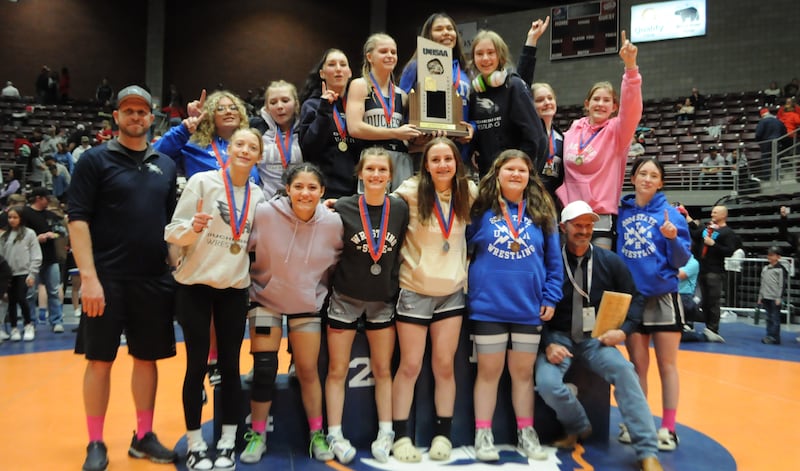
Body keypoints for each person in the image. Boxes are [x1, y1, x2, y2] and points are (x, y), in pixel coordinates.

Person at [68, 85, 179, 471]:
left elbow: (171, 228)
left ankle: (143, 436)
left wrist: (179, 267)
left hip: (152, 279)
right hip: (107, 280)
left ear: (152, 117)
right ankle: (95, 442)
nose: (135, 117)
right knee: (100, 360)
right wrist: (89, 279)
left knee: (147, 360)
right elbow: (77, 220)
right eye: (128, 111)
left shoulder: (165, 164)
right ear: (116, 116)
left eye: (142, 111)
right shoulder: (94, 161)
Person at [535, 200, 663, 471]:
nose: (584, 230)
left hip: (596, 339)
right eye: (577, 225)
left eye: (588, 225)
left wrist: (623, 330)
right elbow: (534, 304)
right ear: (562, 227)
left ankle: (647, 451)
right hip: (559, 337)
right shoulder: (550, 262)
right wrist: (547, 343)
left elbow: (637, 298)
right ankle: (578, 426)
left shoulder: (609, 261)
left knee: (626, 372)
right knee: (546, 383)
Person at [165, 128, 266, 471]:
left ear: (258, 156)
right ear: (229, 149)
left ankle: (226, 442)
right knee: (195, 367)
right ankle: (195, 444)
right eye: (240, 144)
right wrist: (193, 228)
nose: (245, 150)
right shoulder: (201, 183)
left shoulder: (259, 196)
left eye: (252, 147)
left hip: (234, 290)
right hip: (194, 285)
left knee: (231, 368)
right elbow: (172, 232)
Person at [243, 163, 343, 464]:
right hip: (265, 297)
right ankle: (257, 435)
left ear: (322, 191)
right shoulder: (264, 214)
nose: (305, 193)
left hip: (305, 303)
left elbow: (338, 264)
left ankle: (316, 434)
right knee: (263, 369)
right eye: (298, 186)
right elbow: (241, 247)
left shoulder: (334, 223)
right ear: (287, 188)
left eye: (312, 187)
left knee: (307, 370)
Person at [467, 149, 561, 462]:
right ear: (497, 173)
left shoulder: (541, 210)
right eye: (510, 169)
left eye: (522, 170)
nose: (516, 175)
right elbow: (461, 248)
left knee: (523, 375)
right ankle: (483, 434)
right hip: (488, 306)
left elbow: (553, 260)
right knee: (488, 373)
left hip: (527, 307)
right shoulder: (480, 210)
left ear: (528, 177)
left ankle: (526, 433)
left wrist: (550, 295)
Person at [390, 137, 476, 462]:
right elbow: (376, 208)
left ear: (457, 163)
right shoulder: (410, 191)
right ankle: (400, 437)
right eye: (436, 159)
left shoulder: (467, 192)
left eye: (448, 159)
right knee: (410, 366)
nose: (442, 165)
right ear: (426, 164)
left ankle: (443, 434)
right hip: (415, 289)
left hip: (451, 293)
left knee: (444, 367)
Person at [325, 147, 409, 464]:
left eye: (382, 170)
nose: (375, 175)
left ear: (390, 175)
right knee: (336, 370)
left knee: (383, 369)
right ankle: (334, 432)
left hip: (382, 301)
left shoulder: (400, 209)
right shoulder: (342, 207)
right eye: (370, 169)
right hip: (345, 298)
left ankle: (385, 431)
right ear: (360, 173)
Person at [617, 157, 691, 452]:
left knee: (667, 365)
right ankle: (638, 422)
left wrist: (673, 240)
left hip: (663, 296)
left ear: (661, 182)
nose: (647, 179)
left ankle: (669, 429)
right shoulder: (621, 212)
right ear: (633, 178)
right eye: (642, 173)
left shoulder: (672, 215)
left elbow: (682, 260)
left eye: (653, 175)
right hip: (633, 298)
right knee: (637, 366)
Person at [556, 30, 642, 250]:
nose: (600, 104)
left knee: (597, 275)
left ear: (614, 107)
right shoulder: (575, 128)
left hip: (599, 216)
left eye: (607, 100)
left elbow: (632, 109)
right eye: (596, 99)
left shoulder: (617, 131)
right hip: (569, 212)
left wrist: (630, 69)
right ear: (587, 103)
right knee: (568, 275)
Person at [346, 33, 421, 192]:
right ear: (369, 57)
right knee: (374, 210)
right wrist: (395, 133)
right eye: (384, 51)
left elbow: (408, 136)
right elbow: (354, 128)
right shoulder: (360, 86)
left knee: (402, 208)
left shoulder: (403, 95)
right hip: (373, 159)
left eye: (393, 52)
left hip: (401, 158)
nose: (390, 56)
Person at [468, 28, 547, 177]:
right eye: (479, 54)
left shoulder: (514, 86)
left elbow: (534, 137)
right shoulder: (475, 93)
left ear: (500, 55)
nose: (485, 58)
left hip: (514, 175)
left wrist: (517, 169)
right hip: (488, 176)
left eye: (491, 52)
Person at [398, 12, 472, 162]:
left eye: (449, 28)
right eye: (439, 29)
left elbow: (475, 113)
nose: (446, 33)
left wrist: (471, 130)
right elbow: (400, 106)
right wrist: (413, 135)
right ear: (428, 35)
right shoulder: (415, 66)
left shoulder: (466, 71)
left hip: (460, 152)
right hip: (423, 151)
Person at [155, 89, 257, 183]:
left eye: (233, 108)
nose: (229, 111)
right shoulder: (195, 146)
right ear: (210, 115)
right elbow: (155, 155)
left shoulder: (251, 147)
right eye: (220, 109)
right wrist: (183, 130)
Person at [298, 48, 358, 198]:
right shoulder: (312, 105)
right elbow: (309, 148)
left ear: (350, 72)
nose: (338, 69)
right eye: (332, 64)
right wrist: (324, 110)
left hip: (355, 190)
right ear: (322, 73)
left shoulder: (357, 107)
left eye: (343, 64)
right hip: (324, 190)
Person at [684, 205, 740, 340]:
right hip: (702, 269)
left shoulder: (728, 233)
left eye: (715, 212)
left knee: (713, 301)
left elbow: (729, 251)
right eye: (712, 212)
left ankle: (712, 328)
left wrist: (713, 244)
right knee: (702, 300)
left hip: (715, 271)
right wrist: (686, 216)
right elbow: (695, 232)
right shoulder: (708, 229)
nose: (712, 214)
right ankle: (700, 325)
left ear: (723, 215)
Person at [22, 187, 67, 332]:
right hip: (30, 258)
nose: (49, 201)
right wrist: (36, 239)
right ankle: (30, 322)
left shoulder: (50, 214)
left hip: (50, 257)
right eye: (47, 198)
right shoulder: (25, 214)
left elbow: (62, 231)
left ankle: (56, 320)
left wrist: (52, 235)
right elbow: (19, 236)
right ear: (39, 198)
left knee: (53, 290)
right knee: (29, 293)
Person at [252, 80, 303, 198]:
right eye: (273, 102)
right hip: (264, 203)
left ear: (296, 104)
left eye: (285, 101)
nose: (279, 106)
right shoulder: (255, 129)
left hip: (299, 201)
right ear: (267, 108)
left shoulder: (306, 130)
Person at [0, 206, 42, 342]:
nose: (12, 220)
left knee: (21, 298)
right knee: (10, 301)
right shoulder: (5, 236)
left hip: (23, 272)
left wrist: (32, 273)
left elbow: (36, 255)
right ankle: (13, 327)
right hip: (9, 274)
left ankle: (28, 324)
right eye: (10, 217)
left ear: (21, 218)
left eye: (15, 217)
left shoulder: (29, 234)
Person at [759, 246, 787, 345]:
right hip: (766, 296)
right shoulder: (765, 268)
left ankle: (774, 337)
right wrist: (760, 297)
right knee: (768, 317)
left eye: (772, 255)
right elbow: (762, 283)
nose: (769, 257)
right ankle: (769, 335)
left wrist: (779, 297)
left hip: (775, 298)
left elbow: (781, 285)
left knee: (775, 318)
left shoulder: (780, 270)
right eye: (769, 255)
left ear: (778, 257)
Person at [754, 107, 787, 180]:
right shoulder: (778, 121)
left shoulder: (763, 122)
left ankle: (767, 176)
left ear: (762, 115)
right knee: (776, 159)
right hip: (777, 141)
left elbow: (758, 134)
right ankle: (777, 176)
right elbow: (784, 132)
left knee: (766, 160)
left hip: (766, 143)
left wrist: (759, 142)